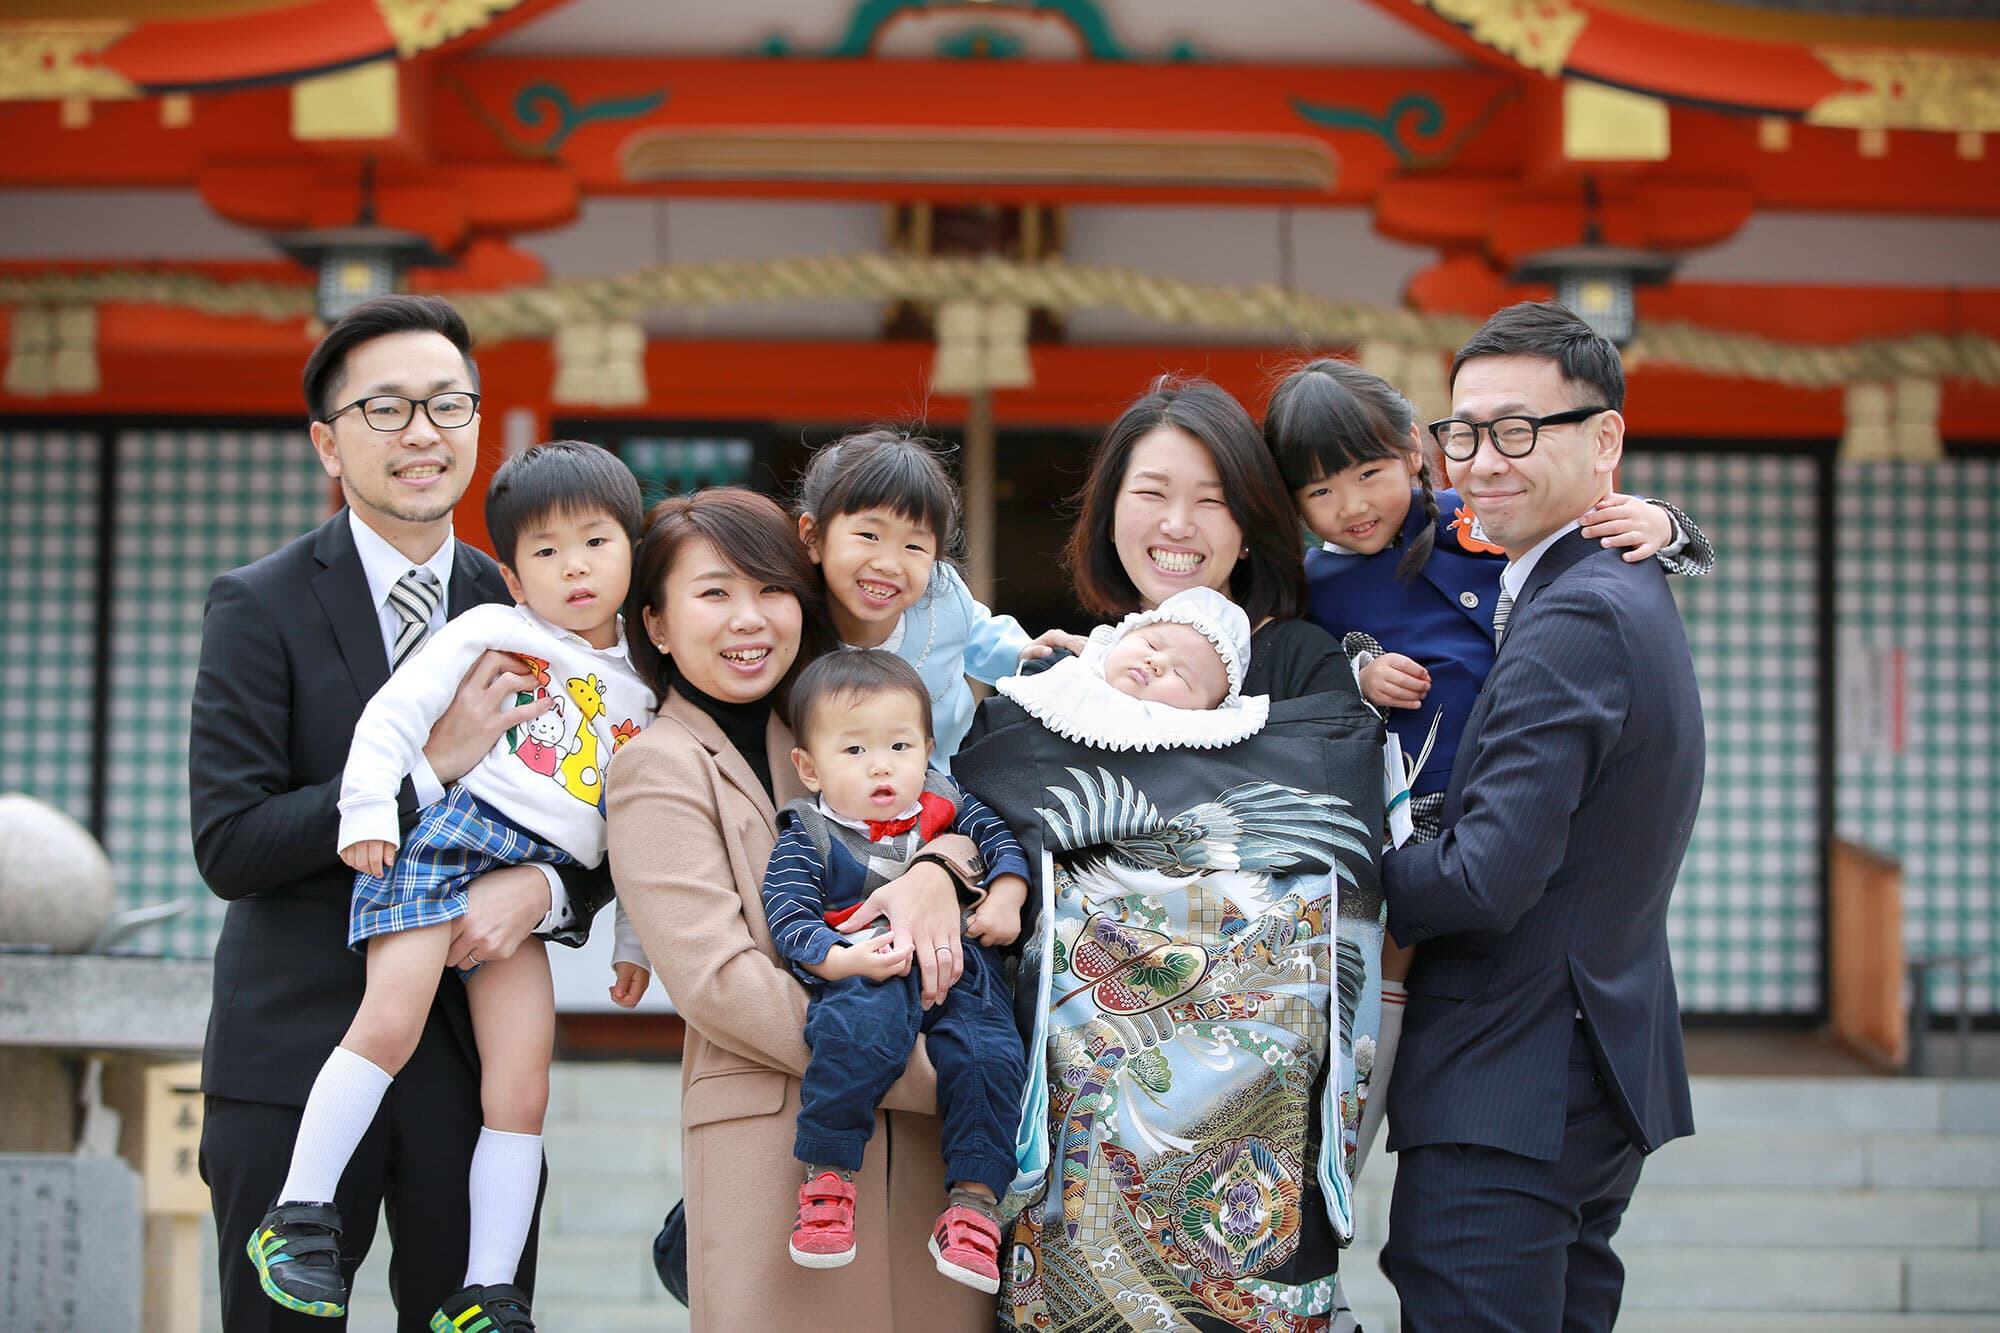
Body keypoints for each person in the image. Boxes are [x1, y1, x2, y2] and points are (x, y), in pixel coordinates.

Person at [189, 295, 613, 1332]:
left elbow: (610, 797)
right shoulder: (261, 603)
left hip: (469, 1069)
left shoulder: (530, 600)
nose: (422, 431)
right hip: (298, 1054)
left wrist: (550, 886)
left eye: (446, 403)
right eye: (386, 408)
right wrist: (427, 768)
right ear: (328, 443)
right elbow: (231, 844)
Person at [976, 377, 1383, 1333]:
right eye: (1152, 492)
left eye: (1211, 498)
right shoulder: (1054, 679)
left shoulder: (1302, 667)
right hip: (1080, 1120)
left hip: (1251, 1116)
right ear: (1109, 508)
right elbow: (992, 829)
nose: (1179, 523)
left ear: (1251, 523)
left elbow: (1340, 858)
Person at [1262, 356, 1714, 1164]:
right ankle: (1343, 1176)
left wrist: (1662, 524)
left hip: (1524, 798)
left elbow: (1605, 538)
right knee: (1371, 992)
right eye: (1319, 492)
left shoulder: (1481, 518)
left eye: (1368, 473)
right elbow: (1286, 683)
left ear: (1412, 448)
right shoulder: (1312, 583)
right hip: (1408, 813)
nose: (1352, 506)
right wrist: (1357, 673)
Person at [244, 441, 652, 1330]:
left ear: (635, 547)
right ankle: (299, 1212)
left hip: (528, 881)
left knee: (523, 1081)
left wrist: (632, 938)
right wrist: (367, 816)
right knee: (387, 1022)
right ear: (511, 575)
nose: (574, 566)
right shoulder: (491, 632)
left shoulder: (651, 687)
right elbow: (390, 716)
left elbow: (644, 828)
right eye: (545, 551)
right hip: (443, 844)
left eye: (596, 541)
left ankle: (487, 1290)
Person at [1378, 302, 1705, 1332]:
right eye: (1462, 432)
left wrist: (1334, 868)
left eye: (1516, 431)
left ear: (1603, 439)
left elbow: (1480, 879)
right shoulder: (1619, 578)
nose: (1479, 460)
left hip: (1509, 1076)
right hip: (1581, 1059)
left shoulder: (1574, 611)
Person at [603, 488, 996, 1331]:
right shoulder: (658, 767)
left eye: (772, 588)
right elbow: (721, 980)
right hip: (782, 1146)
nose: (751, 618)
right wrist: (939, 1076)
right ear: (660, 625)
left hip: (926, 1164)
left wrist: (936, 866)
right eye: (715, 593)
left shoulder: (835, 725)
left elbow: (960, 822)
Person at [762, 650, 1030, 1291]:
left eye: (900, 746)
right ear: (810, 767)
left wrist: (1006, 897)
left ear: (929, 749)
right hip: (869, 965)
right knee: (854, 1035)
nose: (882, 765)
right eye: (853, 751)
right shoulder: (811, 833)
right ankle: (828, 1178)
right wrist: (841, 959)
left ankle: (973, 1204)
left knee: (992, 1055)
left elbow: (1002, 847)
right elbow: (788, 913)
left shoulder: (947, 802)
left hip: (959, 964)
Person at [793, 429, 1070, 769]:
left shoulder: (941, 598)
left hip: (959, 783)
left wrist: (1024, 656)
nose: (889, 564)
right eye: (869, 535)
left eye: (914, 546)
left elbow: (978, 632)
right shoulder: (793, 625)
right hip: (842, 803)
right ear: (813, 536)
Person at [994, 585, 1269, 750]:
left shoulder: (1188, 746)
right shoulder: (1063, 672)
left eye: (1182, 675)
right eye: (1151, 644)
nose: (1157, 663)